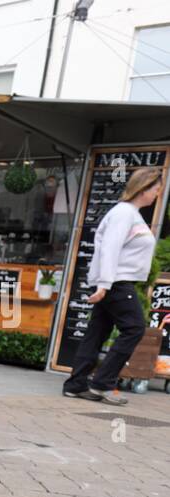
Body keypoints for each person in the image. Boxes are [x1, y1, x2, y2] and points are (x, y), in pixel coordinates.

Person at [63, 166, 163, 405]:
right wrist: (105, 284)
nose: (157, 194)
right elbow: (109, 248)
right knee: (135, 328)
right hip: (116, 282)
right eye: (156, 189)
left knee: (97, 332)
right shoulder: (124, 213)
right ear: (144, 188)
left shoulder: (131, 214)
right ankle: (101, 384)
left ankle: (76, 385)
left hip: (114, 282)